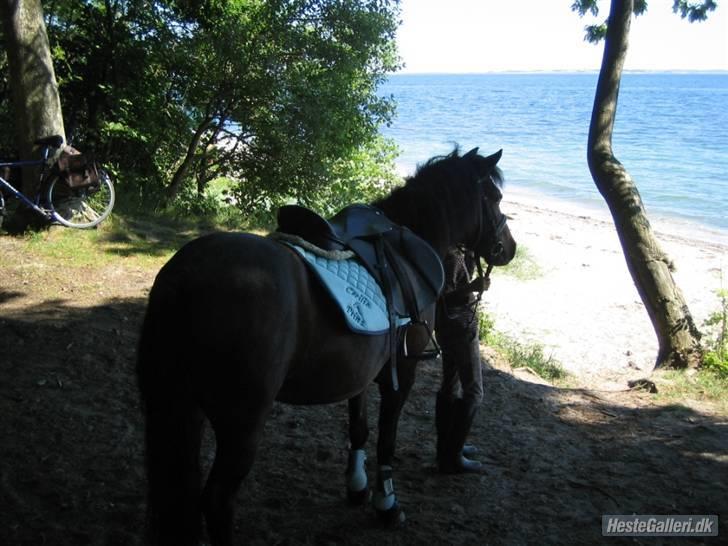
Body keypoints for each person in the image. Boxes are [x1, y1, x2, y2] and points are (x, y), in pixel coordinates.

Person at [435, 247, 488, 474]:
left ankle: (446, 447)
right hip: (460, 328)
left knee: (450, 386)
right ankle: (452, 455)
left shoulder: (458, 252)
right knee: (474, 392)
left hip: (450, 328)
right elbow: (443, 298)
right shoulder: (452, 257)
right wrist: (472, 287)